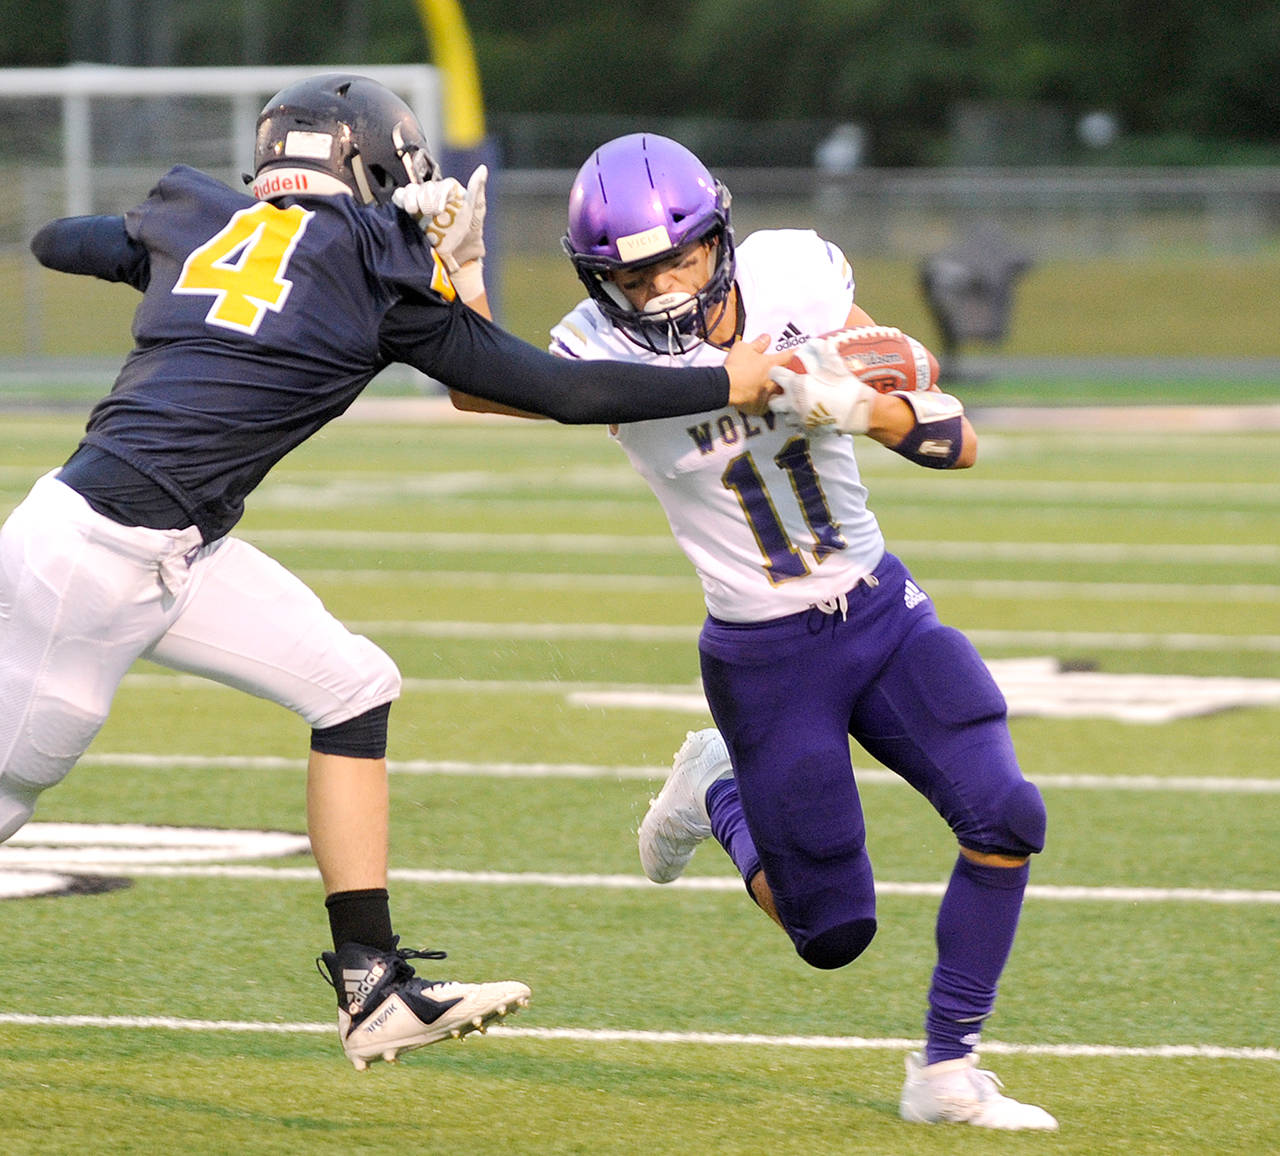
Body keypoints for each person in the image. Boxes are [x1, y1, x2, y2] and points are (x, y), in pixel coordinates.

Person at [0, 79, 786, 1072]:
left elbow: (56, 242)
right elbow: (554, 388)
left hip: (159, 539)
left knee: (351, 684)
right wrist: (723, 378)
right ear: (376, 167)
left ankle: (371, 989)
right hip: (96, 561)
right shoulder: (375, 267)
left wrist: (166, 266)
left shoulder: (206, 224)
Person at [546, 133, 1058, 1130]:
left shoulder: (794, 277)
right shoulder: (594, 353)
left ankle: (945, 1069)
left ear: (720, 240)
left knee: (1006, 815)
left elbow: (948, 429)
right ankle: (716, 789)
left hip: (876, 609)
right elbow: (484, 384)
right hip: (764, 653)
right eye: (631, 275)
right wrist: (454, 275)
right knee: (829, 932)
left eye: (677, 261)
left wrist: (857, 405)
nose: (656, 292)